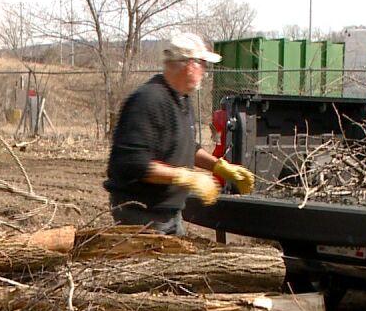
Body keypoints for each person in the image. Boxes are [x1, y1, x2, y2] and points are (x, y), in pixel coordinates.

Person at [104, 32, 255, 236]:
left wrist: (219, 166)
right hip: (141, 214)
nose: (205, 72)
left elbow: (185, 146)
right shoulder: (148, 100)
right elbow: (132, 163)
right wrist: (187, 177)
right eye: (203, 65)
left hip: (169, 213)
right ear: (189, 64)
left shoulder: (181, 99)